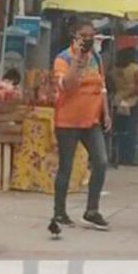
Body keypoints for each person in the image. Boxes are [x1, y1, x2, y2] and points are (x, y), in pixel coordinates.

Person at [51, 18, 111, 230]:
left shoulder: (96, 57)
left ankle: (92, 209)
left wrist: (106, 111)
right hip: (67, 121)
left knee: (101, 161)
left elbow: (101, 85)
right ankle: (59, 212)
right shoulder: (63, 59)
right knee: (66, 166)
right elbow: (67, 86)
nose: (88, 40)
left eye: (91, 36)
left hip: (91, 120)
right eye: (83, 36)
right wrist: (77, 59)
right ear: (74, 36)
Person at [112, 47, 138, 166]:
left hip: (118, 100)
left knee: (119, 130)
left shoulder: (114, 69)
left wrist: (121, 95)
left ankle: (118, 156)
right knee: (132, 130)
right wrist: (130, 93)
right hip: (133, 101)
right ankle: (128, 158)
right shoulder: (136, 69)